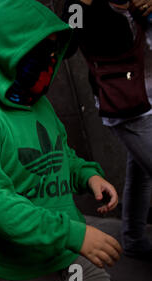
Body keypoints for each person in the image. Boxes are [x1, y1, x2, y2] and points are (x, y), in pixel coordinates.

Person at [0, 0, 124, 281]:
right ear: (4, 51)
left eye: (52, 49)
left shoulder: (41, 104)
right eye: (35, 49)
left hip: (69, 255)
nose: (48, 59)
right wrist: (75, 234)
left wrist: (87, 176)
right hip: (19, 274)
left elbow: (61, 156)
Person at [63, 0, 152, 260]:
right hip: (127, 102)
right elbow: (67, 45)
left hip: (145, 90)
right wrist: (79, 6)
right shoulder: (83, 7)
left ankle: (134, 238)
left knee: (140, 171)